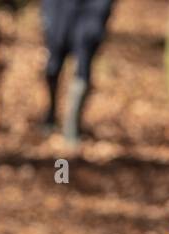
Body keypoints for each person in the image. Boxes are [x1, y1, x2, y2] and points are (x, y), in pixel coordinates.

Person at [39, 0, 115, 145]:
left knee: (85, 54)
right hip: (58, 6)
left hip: (93, 6)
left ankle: (72, 124)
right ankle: (51, 112)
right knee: (54, 60)